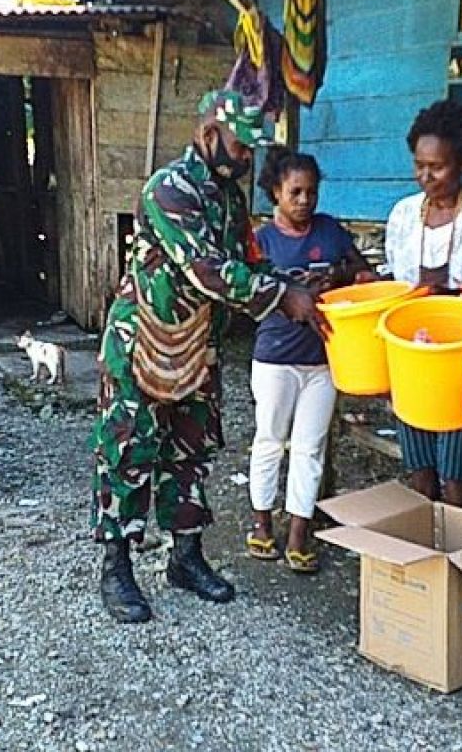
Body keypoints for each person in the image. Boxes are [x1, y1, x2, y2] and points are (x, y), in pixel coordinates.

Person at [90, 90, 325, 623]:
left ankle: (186, 556)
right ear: (210, 133)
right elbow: (210, 270)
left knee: (191, 449)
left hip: (198, 342)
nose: (248, 159)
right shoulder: (168, 190)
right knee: (128, 453)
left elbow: (248, 260)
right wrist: (282, 298)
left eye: (253, 150)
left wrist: (292, 281)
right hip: (143, 341)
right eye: (242, 146)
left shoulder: (229, 197)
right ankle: (117, 566)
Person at [245, 146, 375, 574]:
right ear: (275, 194)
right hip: (275, 359)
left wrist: (342, 276)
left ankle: (299, 533)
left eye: (311, 193)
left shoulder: (331, 231)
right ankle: (262, 524)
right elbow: (246, 299)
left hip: (323, 361)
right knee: (269, 440)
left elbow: (361, 271)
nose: (304, 201)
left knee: (309, 448)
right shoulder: (261, 242)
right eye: (295, 192)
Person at [383, 99, 462, 508]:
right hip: (411, 354)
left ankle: (456, 550)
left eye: (436, 167)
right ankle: (426, 553)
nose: (425, 176)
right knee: (418, 464)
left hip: (460, 355)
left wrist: (443, 300)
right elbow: (395, 282)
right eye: (419, 165)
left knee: (456, 469)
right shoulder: (403, 215)